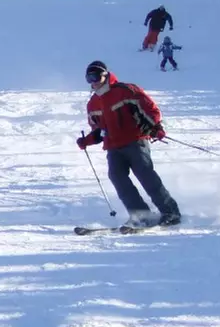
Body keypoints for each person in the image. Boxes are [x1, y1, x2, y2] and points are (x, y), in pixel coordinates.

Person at [77, 60, 181, 228]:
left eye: (95, 76)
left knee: (146, 176)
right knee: (117, 177)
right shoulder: (93, 104)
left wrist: (155, 128)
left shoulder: (125, 91)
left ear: (105, 75)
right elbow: (99, 131)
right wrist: (86, 141)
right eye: (88, 78)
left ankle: (170, 212)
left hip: (135, 141)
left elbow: (150, 110)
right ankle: (141, 215)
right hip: (113, 147)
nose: (92, 82)